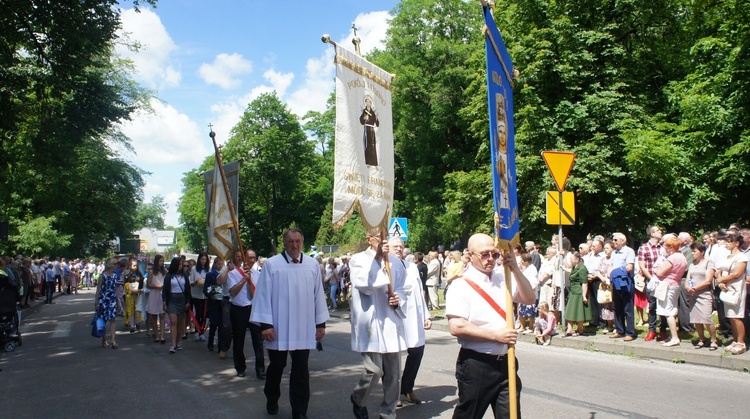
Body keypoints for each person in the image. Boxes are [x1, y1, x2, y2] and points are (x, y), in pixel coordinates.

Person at [446, 233, 535, 419]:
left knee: (510, 416)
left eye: (494, 254)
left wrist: (516, 270)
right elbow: (457, 327)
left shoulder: (504, 278)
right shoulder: (460, 285)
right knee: (468, 415)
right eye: (484, 254)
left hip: (506, 361)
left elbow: (529, 298)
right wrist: (496, 336)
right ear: (470, 256)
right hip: (477, 364)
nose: (491, 259)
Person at [251, 228, 329, 419]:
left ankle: (300, 411)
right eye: (290, 241)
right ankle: (272, 397)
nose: (294, 245)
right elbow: (262, 295)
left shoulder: (311, 265)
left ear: (302, 242)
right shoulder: (272, 264)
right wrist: (265, 325)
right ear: (284, 243)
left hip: (303, 326)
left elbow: (318, 294)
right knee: (277, 366)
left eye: (298, 241)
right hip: (278, 326)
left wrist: (320, 323)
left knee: (301, 370)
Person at [349, 230, 407, 419]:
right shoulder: (358, 260)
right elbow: (365, 285)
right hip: (370, 324)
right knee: (374, 370)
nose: (383, 242)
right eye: (378, 239)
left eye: (385, 239)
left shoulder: (396, 262)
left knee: (393, 375)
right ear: (368, 239)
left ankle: (388, 412)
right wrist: (378, 259)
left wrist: (398, 299)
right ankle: (358, 398)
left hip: (391, 321)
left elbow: (403, 288)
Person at [389, 237, 432, 406]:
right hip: (394, 316)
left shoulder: (412, 267)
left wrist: (426, 315)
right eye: (395, 246)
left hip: (413, 316)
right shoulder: (386, 267)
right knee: (392, 357)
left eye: (401, 246)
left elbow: (419, 293)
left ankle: (407, 387)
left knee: (416, 351)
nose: (399, 249)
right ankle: (392, 393)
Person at [652, 234, 688, 347]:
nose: (664, 248)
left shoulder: (672, 258)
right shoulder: (682, 256)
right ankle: (672, 336)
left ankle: (674, 338)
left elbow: (660, 272)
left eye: (666, 247)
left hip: (668, 285)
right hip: (676, 284)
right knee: (672, 309)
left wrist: (656, 268)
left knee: (668, 312)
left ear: (671, 247)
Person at [715, 233, 748, 355]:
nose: (726, 244)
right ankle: (735, 340)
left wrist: (721, 280)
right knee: (730, 316)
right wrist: (720, 281)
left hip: (736, 289)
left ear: (737, 243)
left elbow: (736, 274)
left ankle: (741, 342)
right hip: (726, 287)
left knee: (736, 316)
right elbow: (719, 269)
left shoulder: (742, 257)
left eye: (729, 242)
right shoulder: (727, 256)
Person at [685, 243, 717, 350]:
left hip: (704, 294)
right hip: (693, 295)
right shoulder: (692, 264)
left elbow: (708, 281)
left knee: (706, 318)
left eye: (695, 251)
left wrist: (695, 288)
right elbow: (688, 278)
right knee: (696, 319)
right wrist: (687, 287)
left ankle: (713, 340)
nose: (693, 253)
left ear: (702, 252)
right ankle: (702, 339)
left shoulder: (709, 263)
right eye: (692, 251)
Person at [638, 226, 666, 342]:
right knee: (652, 305)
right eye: (658, 230)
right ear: (652, 234)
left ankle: (663, 329)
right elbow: (642, 266)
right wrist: (651, 278)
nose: (661, 232)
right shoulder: (644, 248)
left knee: (664, 305)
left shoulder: (664, 247)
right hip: (652, 280)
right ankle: (652, 330)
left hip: (664, 280)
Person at [610, 232, 637, 341]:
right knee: (617, 307)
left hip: (625, 282)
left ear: (622, 241)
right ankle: (619, 330)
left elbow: (629, 267)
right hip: (615, 282)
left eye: (616, 240)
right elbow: (610, 266)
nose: (614, 242)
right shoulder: (613, 253)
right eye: (613, 240)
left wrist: (616, 272)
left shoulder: (629, 251)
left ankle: (630, 332)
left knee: (628, 308)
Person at [162, 257, 191, 354]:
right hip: (172, 300)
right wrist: (164, 302)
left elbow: (188, 290)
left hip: (182, 299)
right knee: (173, 321)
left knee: (179, 323)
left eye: (182, 265)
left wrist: (188, 302)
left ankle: (178, 341)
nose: (181, 266)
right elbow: (165, 290)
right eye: (179, 264)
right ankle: (173, 344)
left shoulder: (184, 276)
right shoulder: (169, 276)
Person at [563, 252, 591, 336]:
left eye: (572, 258)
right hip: (573, 291)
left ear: (577, 259)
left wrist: (584, 296)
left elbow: (584, 283)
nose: (570, 260)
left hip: (578, 292)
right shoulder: (575, 267)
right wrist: (563, 268)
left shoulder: (582, 268)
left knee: (579, 311)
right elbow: (570, 271)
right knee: (570, 311)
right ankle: (570, 329)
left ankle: (580, 328)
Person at [95, 258, 119, 348]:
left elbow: (115, 289)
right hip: (103, 300)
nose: (115, 266)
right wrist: (96, 302)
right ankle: (104, 339)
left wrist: (118, 301)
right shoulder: (102, 276)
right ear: (109, 265)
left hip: (112, 299)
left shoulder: (115, 276)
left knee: (113, 320)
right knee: (104, 320)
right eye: (114, 264)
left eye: (116, 264)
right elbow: (98, 290)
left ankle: (113, 341)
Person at [203, 257, 225, 352]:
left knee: (221, 325)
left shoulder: (225, 274)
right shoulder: (210, 275)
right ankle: (210, 342)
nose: (220, 266)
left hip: (222, 302)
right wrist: (210, 295)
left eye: (222, 264)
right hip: (214, 302)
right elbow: (205, 289)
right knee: (214, 324)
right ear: (215, 264)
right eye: (219, 264)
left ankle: (221, 344)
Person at [595, 240, 616, 333]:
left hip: (613, 285)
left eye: (607, 248)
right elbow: (598, 271)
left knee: (613, 305)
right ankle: (609, 325)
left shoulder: (615, 259)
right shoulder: (602, 259)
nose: (605, 250)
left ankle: (616, 325)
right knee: (605, 305)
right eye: (605, 248)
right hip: (604, 285)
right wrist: (602, 278)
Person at [190, 252, 210, 342]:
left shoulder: (207, 270)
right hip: (196, 294)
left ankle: (202, 332)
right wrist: (196, 282)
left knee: (204, 314)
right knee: (198, 313)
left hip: (204, 295)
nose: (204, 261)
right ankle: (197, 331)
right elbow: (191, 282)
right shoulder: (194, 269)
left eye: (205, 260)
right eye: (202, 259)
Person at [146, 255, 167, 344]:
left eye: (162, 261)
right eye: (160, 261)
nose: (161, 263)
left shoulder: (165, 271)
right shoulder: (152, 272)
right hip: (154, 294)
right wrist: (157, 286)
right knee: (154, 315)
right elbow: (148, 284)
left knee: (162, 314)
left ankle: (162, 335)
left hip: (162, 294)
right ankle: (156, 334)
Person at [517, 253, 539, 334]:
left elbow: (534, 282)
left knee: (530, 311)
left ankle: (531, 327)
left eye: (522, 260)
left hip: (530, 293)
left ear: (526, 261)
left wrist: (529, 289)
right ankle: (522, 326)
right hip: (523, 292)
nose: (521, 262)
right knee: (522, 310)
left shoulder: (532, 269)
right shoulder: (526, 268)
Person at [123, 258, 144, 334]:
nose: (135, 267)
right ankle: (132, 325)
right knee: (131, 309)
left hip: (138, 293)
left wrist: (139, 289)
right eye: (133, 265)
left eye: (136, 265)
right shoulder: (127, 274)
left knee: (137, 308)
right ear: (130, 265)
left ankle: (138, 322)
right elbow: (125, 284)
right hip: (130, 294)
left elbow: (142, 283)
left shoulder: (139, 274)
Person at [360, 95, 379, 166]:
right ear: (365, 103)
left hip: (372, 130)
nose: (368, 103)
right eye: (367, 102)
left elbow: (377, 124)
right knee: (367, 145)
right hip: (367, 129)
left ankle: (374, 163)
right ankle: (368, 162)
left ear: (371, 103)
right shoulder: (364, 112)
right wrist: (364, 119)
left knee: (373, 145)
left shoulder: (373, 112)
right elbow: (361, 121)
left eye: (369, 102)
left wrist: (376, 118)